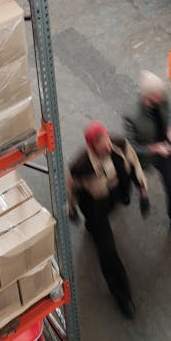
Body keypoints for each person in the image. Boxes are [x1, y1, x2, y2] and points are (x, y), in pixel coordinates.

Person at [66, 121, 150, 319]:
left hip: (115, 193)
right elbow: (70, 189)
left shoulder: (119, 144)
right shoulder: (80, 167)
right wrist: (71, 210)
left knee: (124, 177)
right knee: (107, 252)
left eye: (106, 139)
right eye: (100, 143)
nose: (106, 145)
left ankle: (99, 220)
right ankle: (122, 294)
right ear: (91, 147)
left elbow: (134, 164)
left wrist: (144, 192)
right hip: (96, 205)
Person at [124, 71, 171, 242]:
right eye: (158, 96)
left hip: (164, 151)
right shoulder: (131, 116)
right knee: (130, 175)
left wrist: (170, 130)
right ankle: (124, 191)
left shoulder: (162, 98)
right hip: (143, 155)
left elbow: (169, 114)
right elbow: (131, 146)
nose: (163, 98)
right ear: (147, 97)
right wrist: (153, 148)